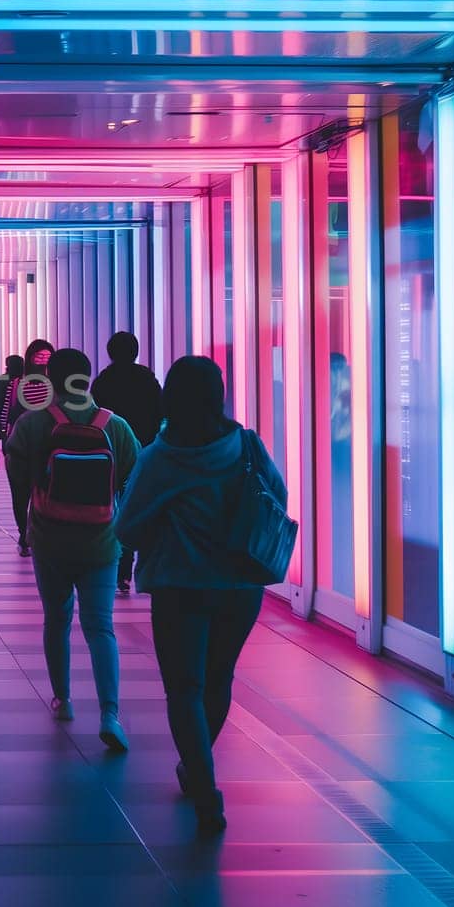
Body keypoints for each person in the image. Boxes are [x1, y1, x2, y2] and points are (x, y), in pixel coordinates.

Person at [117, 356, 283, 837]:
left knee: (184, 688)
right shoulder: (245, 444)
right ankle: (197, 767)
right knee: (218, 679)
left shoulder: (160, 458)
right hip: (240, 586)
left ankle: (205, 785)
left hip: (179, 586)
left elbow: (127, 526)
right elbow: (278, 497)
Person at [6, 347, 138, 754]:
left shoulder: (33, 424)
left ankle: (62, 699)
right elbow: (134, 474)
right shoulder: (113, 425)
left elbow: (16, 479)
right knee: (101, 626)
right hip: (101, 540)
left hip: (50, 537)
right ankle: (110, 713)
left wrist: (24, 524)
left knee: (57, 619)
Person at [90, 332, 163, 592]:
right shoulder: (148, 379)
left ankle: (111, 559)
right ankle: (126, 569)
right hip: (142, 453)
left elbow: (94, 416)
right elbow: (159, 414)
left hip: (108, 453)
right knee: (133, 505)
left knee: (110, 506)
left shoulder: (103, 381)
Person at [1, 338, 54, 557]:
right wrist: (3, 438)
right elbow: (7, 409)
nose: (43, 360)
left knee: (33, 492)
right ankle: (25, 533)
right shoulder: (19, 383)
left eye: (47, 356)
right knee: (22, 494)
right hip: (25, 445)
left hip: (40, 446)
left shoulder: (53, 384)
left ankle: (31, 534)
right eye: (39, 356)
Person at [0, 354, 24, 479]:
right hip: (22, 422)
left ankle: (10, 471)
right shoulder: (25, 381)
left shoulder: (0, 381)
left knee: (8, 449)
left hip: (5, 423)